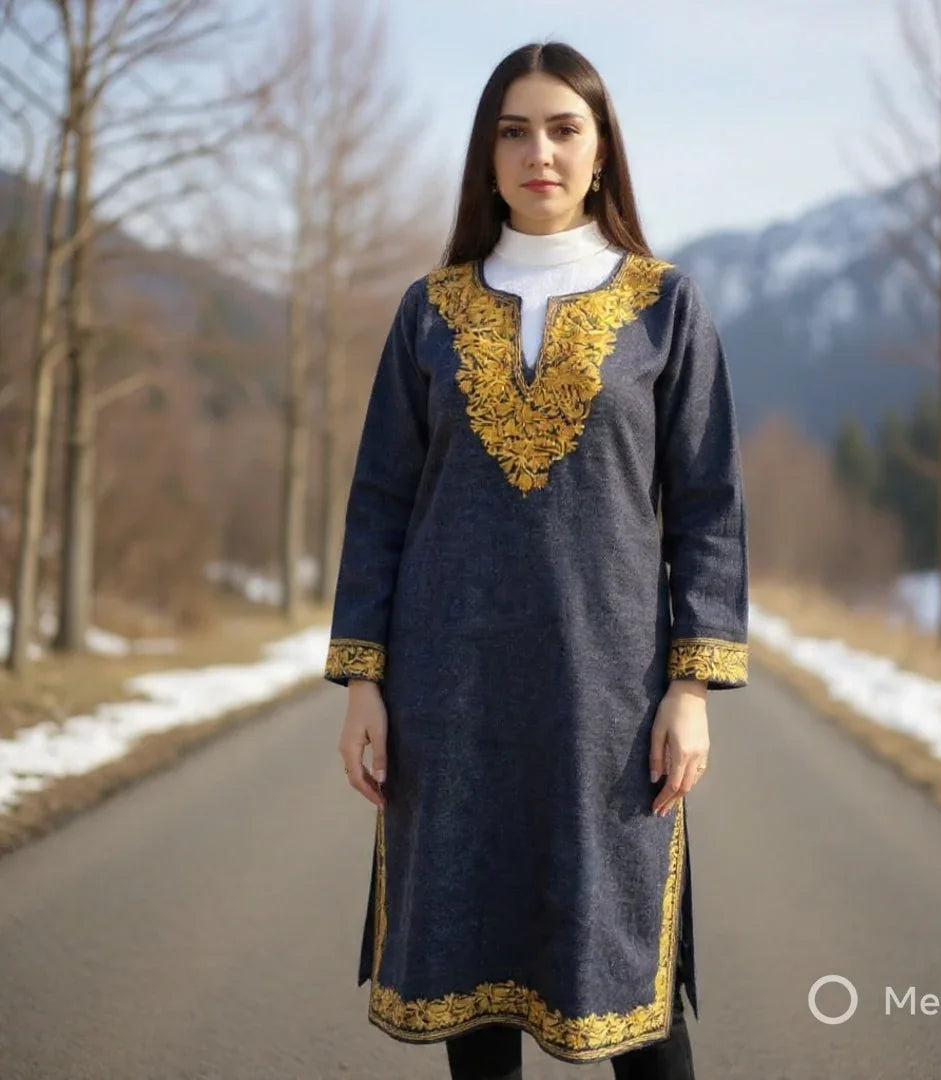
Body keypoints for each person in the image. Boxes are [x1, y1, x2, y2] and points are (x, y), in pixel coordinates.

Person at [325, 40, 749, 1079]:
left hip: (606, 702)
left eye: (564, 128)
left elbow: (707, 506)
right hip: (449, 698)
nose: (539, 152)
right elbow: (380, 504)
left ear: (602, 152)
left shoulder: (664, 305)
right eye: (514, 130)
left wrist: (690, 686)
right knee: (475, 996)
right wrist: (365, 681)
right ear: (487, 154)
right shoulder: (430, 311)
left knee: (634, 995)